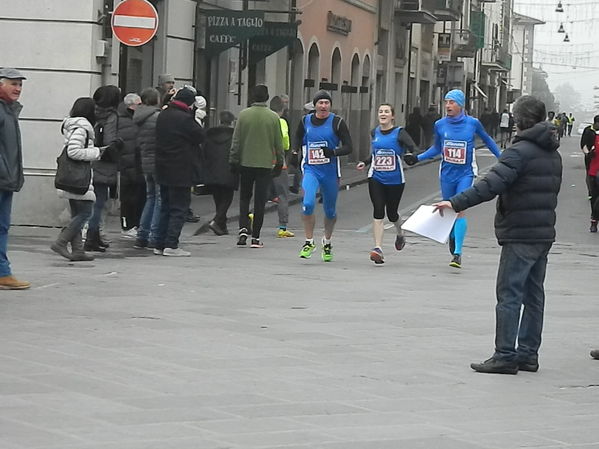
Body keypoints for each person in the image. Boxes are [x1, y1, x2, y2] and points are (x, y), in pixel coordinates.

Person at [433, 95, 562, 374]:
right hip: (543, 233)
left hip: (520, 233)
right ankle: (528, 354)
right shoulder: (553, 152)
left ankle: (505, 354)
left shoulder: (519, 151)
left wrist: (455, 203)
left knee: (510, 293)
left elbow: (490, 184)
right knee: (534, 294)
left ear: (520, 120)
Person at [404, 89, 501, 268]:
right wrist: (417, 158)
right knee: (449, 210)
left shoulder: (473, 123)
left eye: (452, 102)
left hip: (466, 173)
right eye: (446, 102)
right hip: (447, 174)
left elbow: (487, 140)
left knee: (460, 208)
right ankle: (452, 235)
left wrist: (501, 157)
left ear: (461, 105)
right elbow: (436, 148)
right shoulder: (440, 124)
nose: (448, 105)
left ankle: (457, 253)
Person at [292, 90, 353, 262]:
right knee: (308, 203)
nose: (324, 106)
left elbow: (349, 147)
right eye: (320, 103)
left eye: (327, 103)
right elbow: (297, 137)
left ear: (330, 105)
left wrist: (333, 151)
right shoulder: (305, 121)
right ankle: (309, 241)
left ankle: (327, 242)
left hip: (330, 172)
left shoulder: (338, 122)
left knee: (330, 211)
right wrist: (294, 151)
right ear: (315, 105)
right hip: (311, 169)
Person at [52, 97, 116, 262]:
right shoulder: (82, 128)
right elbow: (74, 151)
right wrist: (96, 153)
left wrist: (99, 150)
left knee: (77, 212)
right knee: (86, 211)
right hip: (79, 177)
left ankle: (78, 250)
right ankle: (62, 241)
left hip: (73, 177)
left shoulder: (75, 126)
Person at [356, 103, 417, 264]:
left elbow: (411, 147)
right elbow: (375, 155)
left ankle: (400, 233)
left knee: (392, 213)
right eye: (380, 111)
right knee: (378, 210)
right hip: (376, 177)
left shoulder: (399, 133)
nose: (383, 114)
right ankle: (378, 248)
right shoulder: (374, 132)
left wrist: (410, 154)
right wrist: (365, 162)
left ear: (392, 116)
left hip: (395, 179)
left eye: (386, 111)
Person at [229, 84, 284, 248]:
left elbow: (236, 140)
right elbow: (278, 143)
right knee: (260, 201)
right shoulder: (273, 117)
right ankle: (256, 237)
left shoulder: (243, 115)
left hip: (245, 163)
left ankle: (243, 229)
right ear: (267, 98)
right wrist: (280, 162)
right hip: (265, 165)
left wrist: (233, 159)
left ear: (252, 97)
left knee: (244, 198)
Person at [154, 86, 205, 256]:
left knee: (165, 207)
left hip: (162, 166)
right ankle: (171, 244)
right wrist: (196, 118)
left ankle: (159, 243)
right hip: (180, 168)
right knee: (179, 208)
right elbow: (199, 136)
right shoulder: (184, 119)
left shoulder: (164, 115)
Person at [0, 68, 30, 289]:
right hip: (2, 177)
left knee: (2, 227)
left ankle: (3, 272)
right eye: (13, 83)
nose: (18, 89)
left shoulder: (9, 110)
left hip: (7, 179)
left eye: (20, 84)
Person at [85, 85, 122, 252]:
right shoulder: (111, 116)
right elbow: (109, 140)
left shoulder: (94, 112)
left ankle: (94, 236)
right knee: (99, 202)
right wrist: (118, 147)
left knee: (98, 201)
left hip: (93, 160)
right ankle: (92, 237)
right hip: (105, 162)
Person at [132, 87, 162, 249]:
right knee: (159, 199)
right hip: (157, 161)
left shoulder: (139, 116)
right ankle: (154, 235)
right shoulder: (157, 117)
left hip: (145, 160)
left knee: (150, 197)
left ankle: (142, 234)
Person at [202, 111, 238, 236]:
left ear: (220, 121)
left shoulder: (209, 134)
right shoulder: (234, 136)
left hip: (212, 170)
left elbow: (204, 151)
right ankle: (217, 221)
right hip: (229, 170)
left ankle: (221, 225)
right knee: (227, 198)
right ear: (232, 122)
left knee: (218, 198)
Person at [117, 93, 145, 238]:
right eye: (139, 104)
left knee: (137, 196)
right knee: (128, 198)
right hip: (127, 163)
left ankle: (135, 224)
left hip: (136, 162)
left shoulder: (135, 119)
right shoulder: (123, 120)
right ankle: (127, 225)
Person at [269, 95, 294, 238]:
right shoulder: (281, 121)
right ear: (282, 109)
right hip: (279, 163)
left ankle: (252, 217)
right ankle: (282, 227)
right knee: (283, 194)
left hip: (263, 162)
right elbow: (285, 142)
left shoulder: (264, 120)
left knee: (259, 194)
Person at [580, 115, 599, 232]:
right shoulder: (589, 132)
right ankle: (594, 220)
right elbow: (584, 145)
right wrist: (588, 154)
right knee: (595, 198)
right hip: (594, 169)